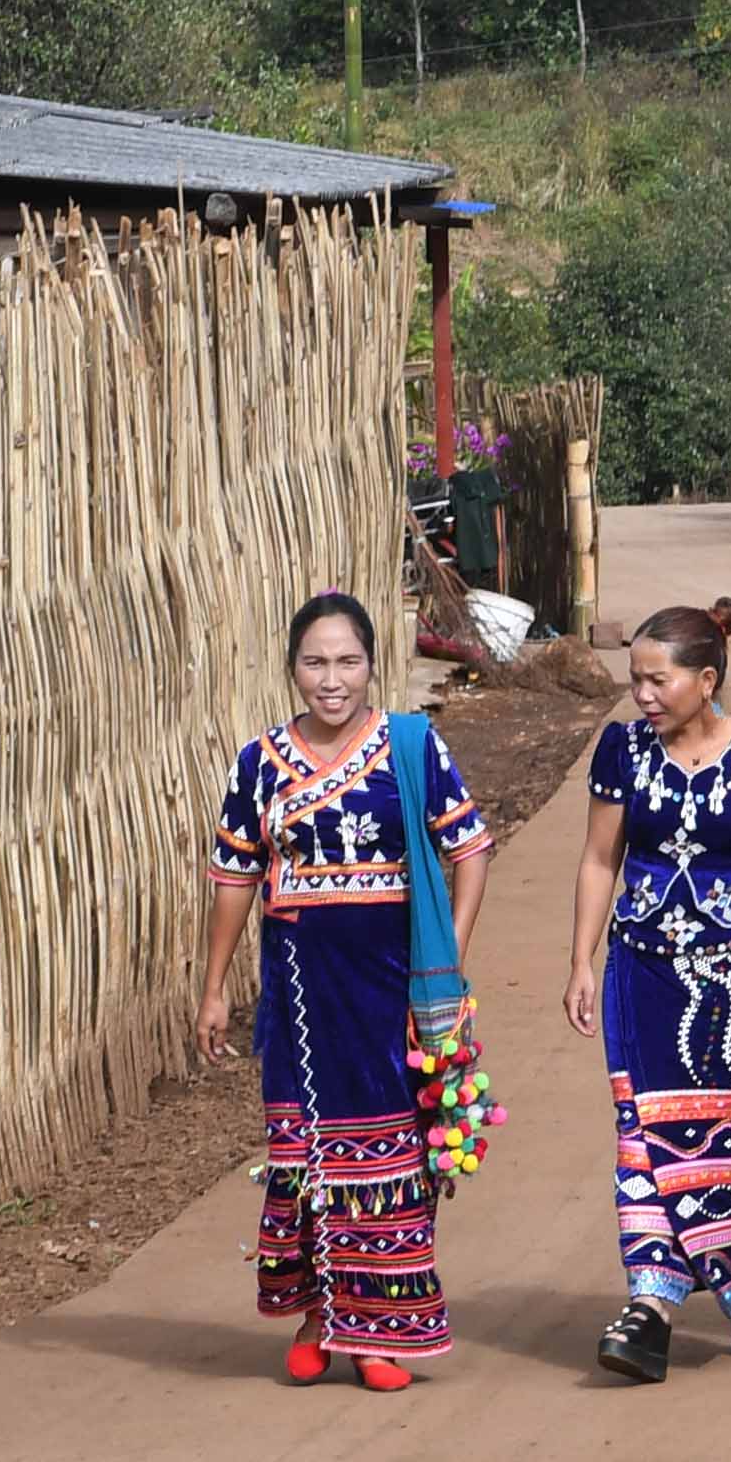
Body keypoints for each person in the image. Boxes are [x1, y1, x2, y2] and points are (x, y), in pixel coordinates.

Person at [196, 590, 493, 1391]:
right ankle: (316, 1317)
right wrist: (215, 984)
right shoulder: (259, 763)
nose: (333, 679)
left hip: (393, 985)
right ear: (292, 668)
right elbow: (234, 876)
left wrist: (448, 961)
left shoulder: (411, 746)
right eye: (315, 662)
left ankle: (380, 1334)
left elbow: (471, 848)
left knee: (394, 1148)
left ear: (373, 664)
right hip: (301, 991)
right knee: (307, 1151)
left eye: (348, 661)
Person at [563, 598, 731, 1383]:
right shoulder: (621, 752)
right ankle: (651, 1304)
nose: (641, 695)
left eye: (656, 680)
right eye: (634, 679)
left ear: (706, 680)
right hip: (643, 975)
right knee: (643, 1130)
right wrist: (582, 960)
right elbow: (601, 860)